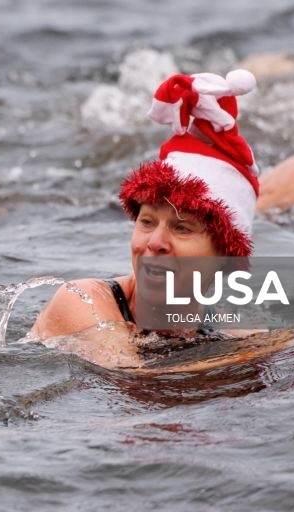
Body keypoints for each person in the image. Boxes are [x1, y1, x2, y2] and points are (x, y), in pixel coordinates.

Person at [31, 69, 265, 367]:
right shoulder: (83, 300)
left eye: (181, 228)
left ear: (224, 253)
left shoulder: (227, 328)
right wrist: (257, 353)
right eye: (147, 222)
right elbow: (132, 378)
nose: (155, 243)